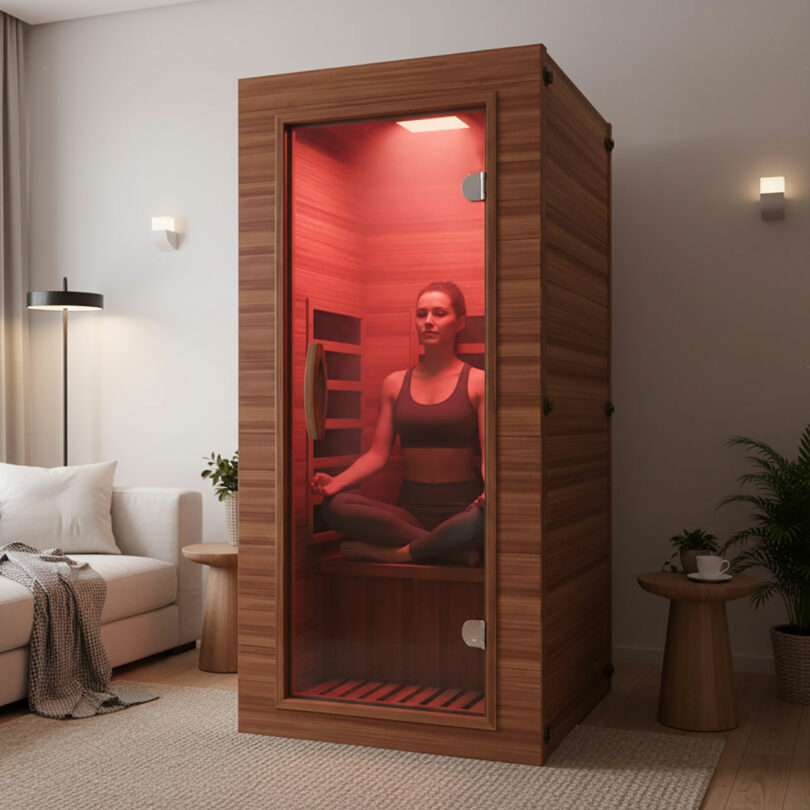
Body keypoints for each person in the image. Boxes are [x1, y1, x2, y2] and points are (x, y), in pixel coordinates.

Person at [311, 281, 485, 565]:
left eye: (439, 313)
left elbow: (489, 458)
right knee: (336, 506)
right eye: (421, 314)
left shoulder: (478, 381)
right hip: (411, 509)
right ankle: (448, 549)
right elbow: (377, 455)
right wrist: (336, 483)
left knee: (484, 519)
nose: (428, 321)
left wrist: (491, 492)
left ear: (460, 322)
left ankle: (400, 553)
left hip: (461, 507)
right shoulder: (395, 383)